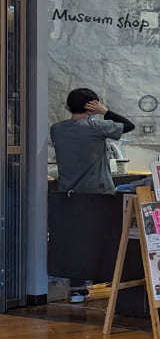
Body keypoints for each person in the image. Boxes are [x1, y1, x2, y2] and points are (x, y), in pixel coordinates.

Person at [50, 88, 135, 302]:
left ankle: (77, 290)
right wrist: (105, 111)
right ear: (92, 106)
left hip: (69, 194)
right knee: (105, 239)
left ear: (68, 106)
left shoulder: (56, 129)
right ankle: (111, 285)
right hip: (99, 194)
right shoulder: (95, 127)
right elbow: (128, 125)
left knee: (76, 241)